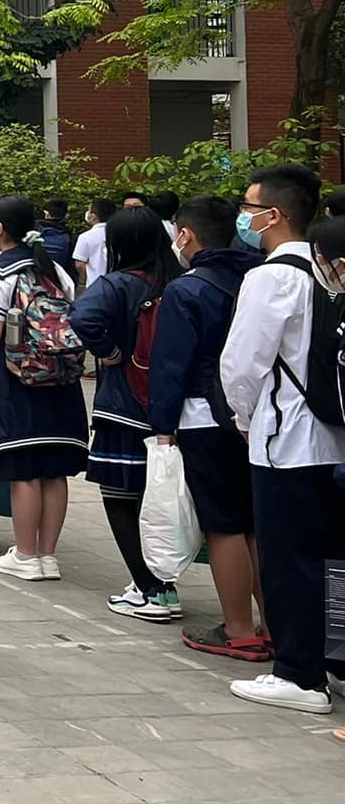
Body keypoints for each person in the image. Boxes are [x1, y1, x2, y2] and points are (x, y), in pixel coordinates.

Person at [219, 166, 345, 714]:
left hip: (283, 437)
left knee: (287, 558)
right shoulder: (325, 270)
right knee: (323, 556)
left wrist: (242, 416)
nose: (244, 216)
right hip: (329, 434)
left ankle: (299, 674)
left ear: (273, 215)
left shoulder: (270, 276)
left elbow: (242, 362)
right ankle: (326, 662)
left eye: (250, 206)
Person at [149, 195, 265, 660]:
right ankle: (272, 623)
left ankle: (239, 629)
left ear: (186, 235)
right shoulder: (258, 277)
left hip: (203, 415)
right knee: (256, 525)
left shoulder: (187, 290)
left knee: (224, 526)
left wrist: (162, 426)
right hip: (257, 417)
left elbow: (170, 365)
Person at [71, 206, 186, 622]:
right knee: (161, 498)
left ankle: (151, 588)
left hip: (123, 406)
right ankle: (164, 582)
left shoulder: (116, 284)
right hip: (172, 409)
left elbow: (82, 318)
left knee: (121, 499)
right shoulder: (174, 282)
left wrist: (112, 353)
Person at [0, 195, 87, 582]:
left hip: (17, 379)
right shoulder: (54, 271)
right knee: (55, 470)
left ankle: (26, 555)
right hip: (62, 379)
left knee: (25, 468)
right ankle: (48, 556)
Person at [73, 198, 117, 288]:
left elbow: (79, 264)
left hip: (94, 284)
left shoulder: (85, 237)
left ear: (93, 216)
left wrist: (87, 277)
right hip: (117, 284)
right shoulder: (120, 233)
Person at [38, 199, 74, 266]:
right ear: (66, 216)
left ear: (46, 214)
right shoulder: (69, 236)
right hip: (60, 273)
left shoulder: (34, 231)